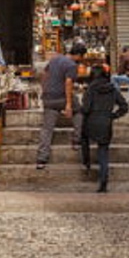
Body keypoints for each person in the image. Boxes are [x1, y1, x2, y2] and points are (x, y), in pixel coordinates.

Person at [36, 42, 87, 170]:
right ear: (79, 55)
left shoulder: (55, 59)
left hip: (48, 98)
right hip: (61, 97)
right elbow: (68, 83)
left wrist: (44, 90)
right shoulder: (72, 65)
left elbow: (44, 74)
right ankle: (76, 140)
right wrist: (69, 105)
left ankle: (41, 159)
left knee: (47, 128)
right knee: (79, 111)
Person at [81, 65, 129, 193]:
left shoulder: (90, 89)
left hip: (91, 121)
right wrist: (113, 115)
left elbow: (85, 108)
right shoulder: (112, 89)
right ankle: (103, 180)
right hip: (106, 121)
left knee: (84, 139)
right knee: (103, 151)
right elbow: (124, 106)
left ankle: (86, 164)